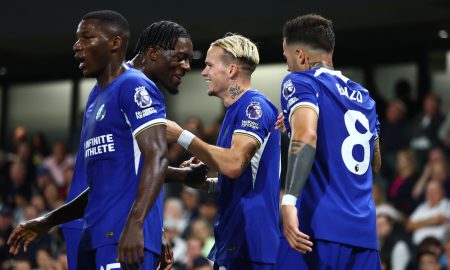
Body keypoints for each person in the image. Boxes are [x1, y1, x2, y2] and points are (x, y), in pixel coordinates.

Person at [7, 11, 205, 270]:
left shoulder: (134, 87)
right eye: (181, 58)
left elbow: (151, 160)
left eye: (86, 37)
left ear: (114, 43)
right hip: (94, 232)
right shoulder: (102, 94)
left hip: (116, 235)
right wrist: (49, 220)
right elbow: (117, 175)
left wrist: (143, 225)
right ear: (155, 53)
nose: (77, 46)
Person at [276, 14, 382, 269]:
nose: (288, 66)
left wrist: (288, 201)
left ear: (301, 56)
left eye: (286, 57)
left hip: (317, 230)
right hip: (365, 234)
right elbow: (374, 161)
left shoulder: (301, 81)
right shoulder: (364, 96)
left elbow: (307, 135)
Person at [167, 34, 281, 270]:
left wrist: (182, 136)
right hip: (234, 237)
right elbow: (242, 178)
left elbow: (234, 164)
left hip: (251, 242)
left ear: (231, 70)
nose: (203, 72)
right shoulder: (233, 112)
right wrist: (205, 183)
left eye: (209, 65)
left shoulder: (254, 107)